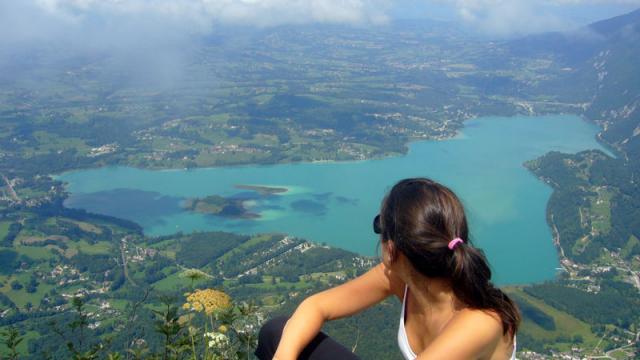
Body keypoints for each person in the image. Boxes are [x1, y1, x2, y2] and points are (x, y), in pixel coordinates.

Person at [255, 178, 520, 360]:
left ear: (392, 249)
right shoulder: (401, 278)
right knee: (277, 333)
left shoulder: (479, 321)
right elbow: (317, 307)